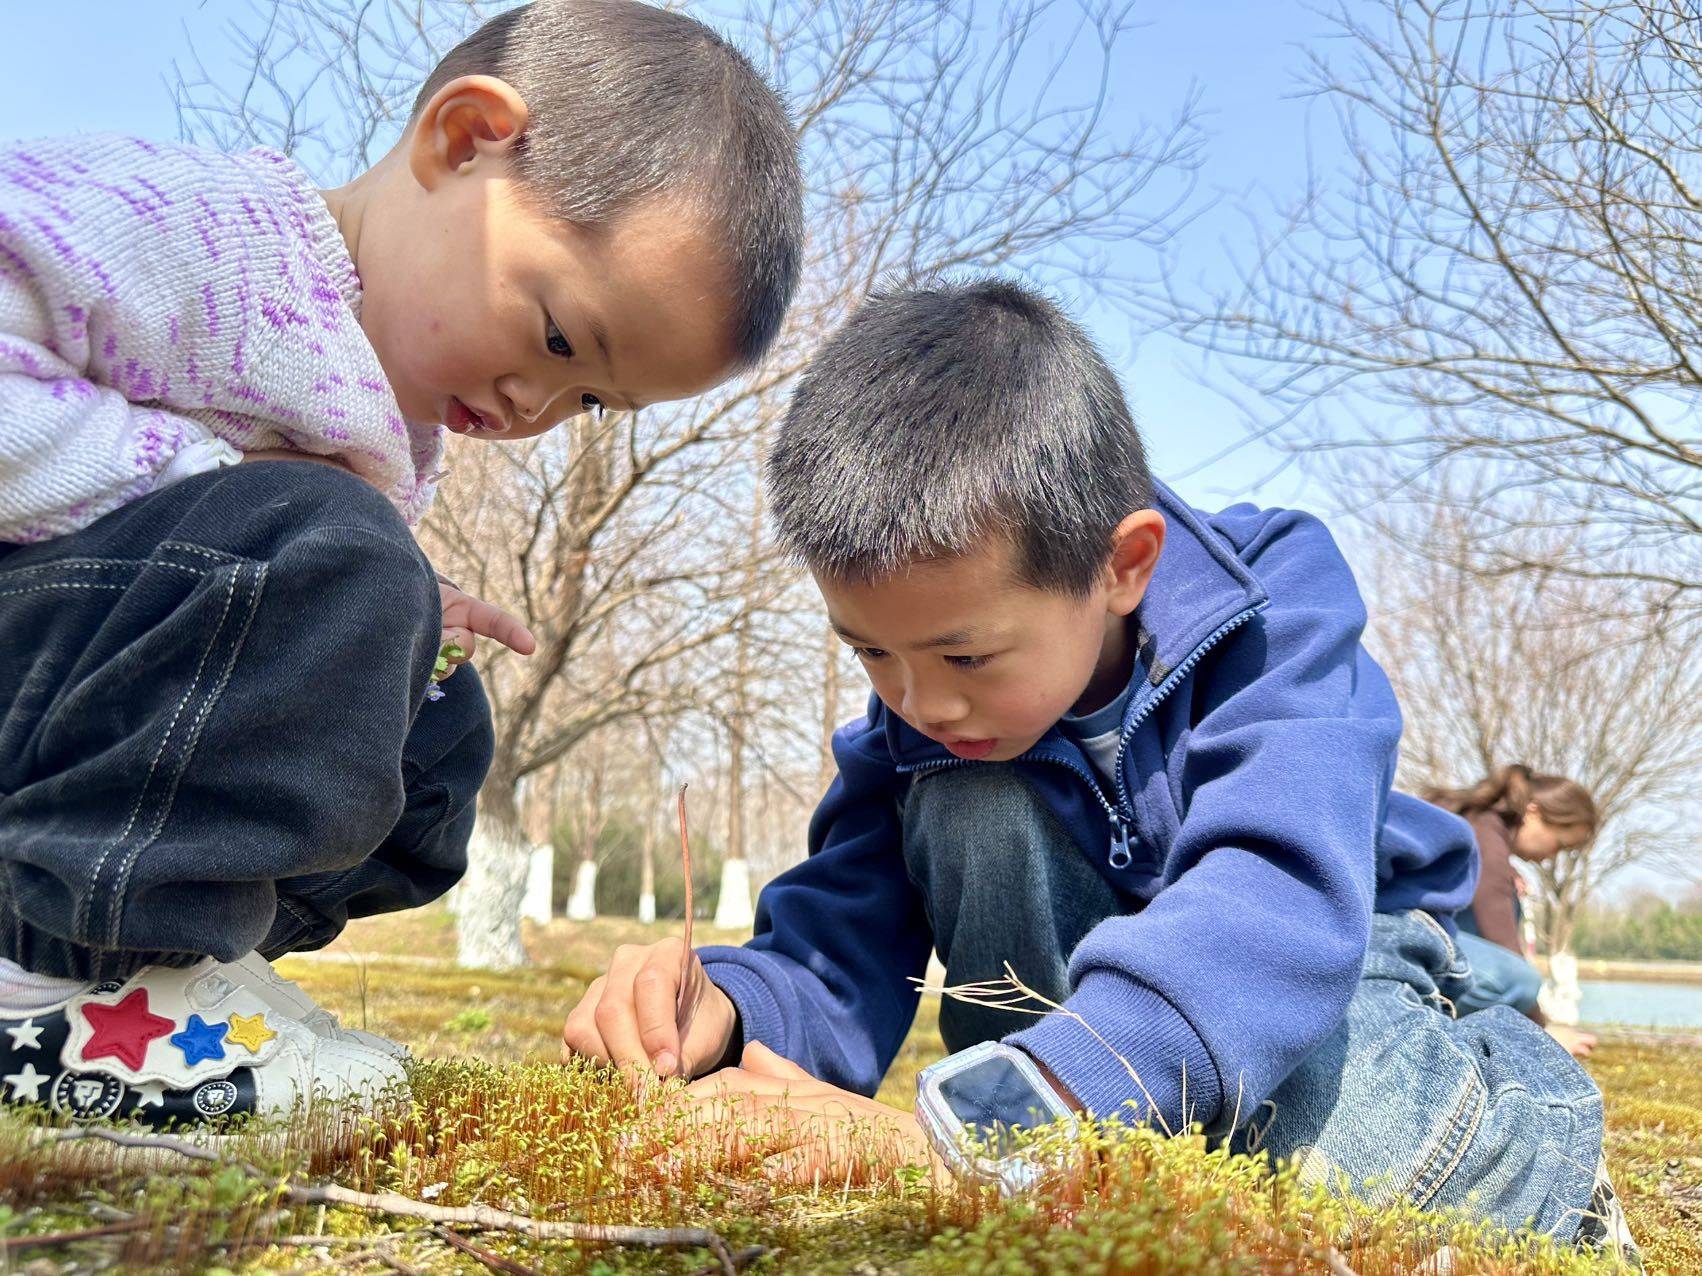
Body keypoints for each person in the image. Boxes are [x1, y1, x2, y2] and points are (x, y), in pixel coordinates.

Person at [562, 279, 1634, 1255]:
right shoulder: (934, 722)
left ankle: (1521, 1128)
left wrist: (986, 1128)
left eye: (964, 657)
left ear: (1124, 565)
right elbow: (841, 949)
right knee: (967, 797)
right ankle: (1052, 1142)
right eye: (871, 652)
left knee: (1352, 1157)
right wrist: (729, 1006)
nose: (918, 701)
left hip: (1321, 954)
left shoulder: (1274, 612)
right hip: (1077, 1033)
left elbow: (1275, 897)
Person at [0, 0, 802, 1129]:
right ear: (464, 138)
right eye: (559, 338)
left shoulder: (386, 405)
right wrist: (224, 490)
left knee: (435, 731)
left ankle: (169, 966)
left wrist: (389, 610)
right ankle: (50, 980)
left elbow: (269, 557)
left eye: (586, 400)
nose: (533, 405)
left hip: (79, 685)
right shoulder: (193, 228)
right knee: (342, 555)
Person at [1426, 766, 1600, 1058]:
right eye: (1559, 844)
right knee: (1520, 980)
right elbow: (1505, 951)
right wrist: (1542, 1031)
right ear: (1533, 812)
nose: (1551, 856)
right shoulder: (1485, 840)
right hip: (1398, 940)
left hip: (1410, 931)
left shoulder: (1479, 825)